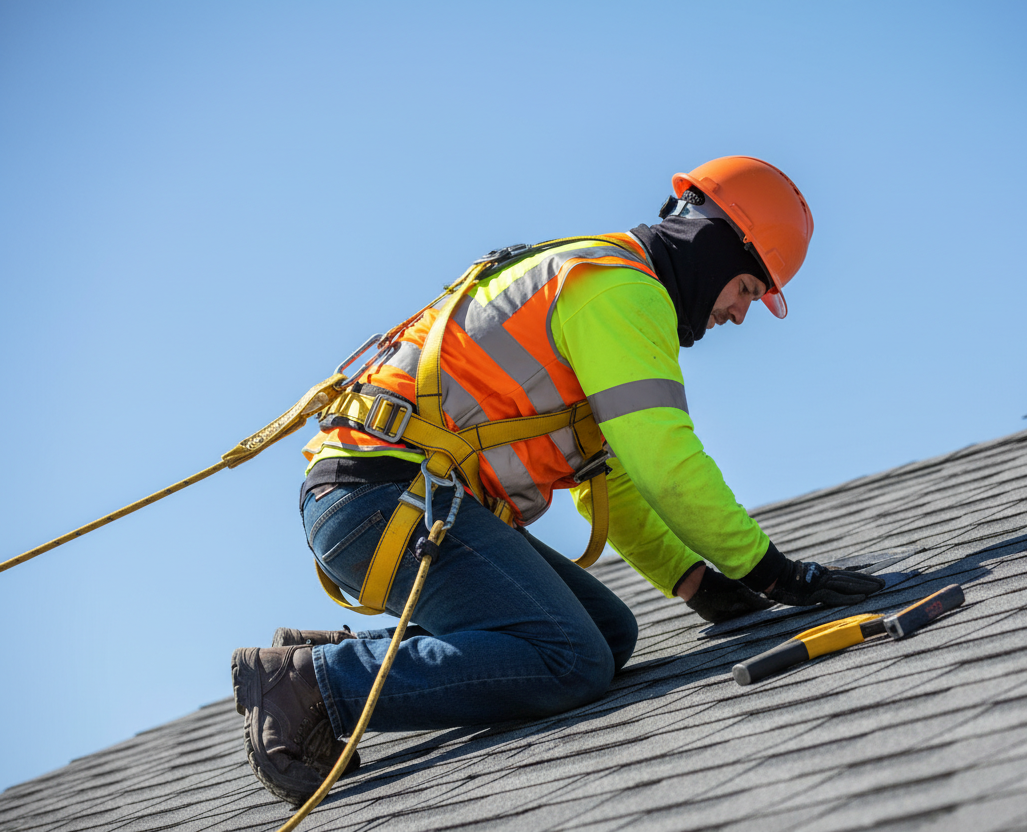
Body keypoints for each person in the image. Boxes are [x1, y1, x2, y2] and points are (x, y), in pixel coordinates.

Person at [231, 156, 885, 805]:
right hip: (383, 501)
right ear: (715, 249)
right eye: (745, 288)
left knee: (607, 635)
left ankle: (322, 658)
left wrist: (697, 584)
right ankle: (313, 686)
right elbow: (664, 458)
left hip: (390, 500)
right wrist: (770, 572)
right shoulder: (618, 292)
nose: (739, 314)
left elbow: (615, 479)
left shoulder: (598, 278)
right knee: (569, 658)